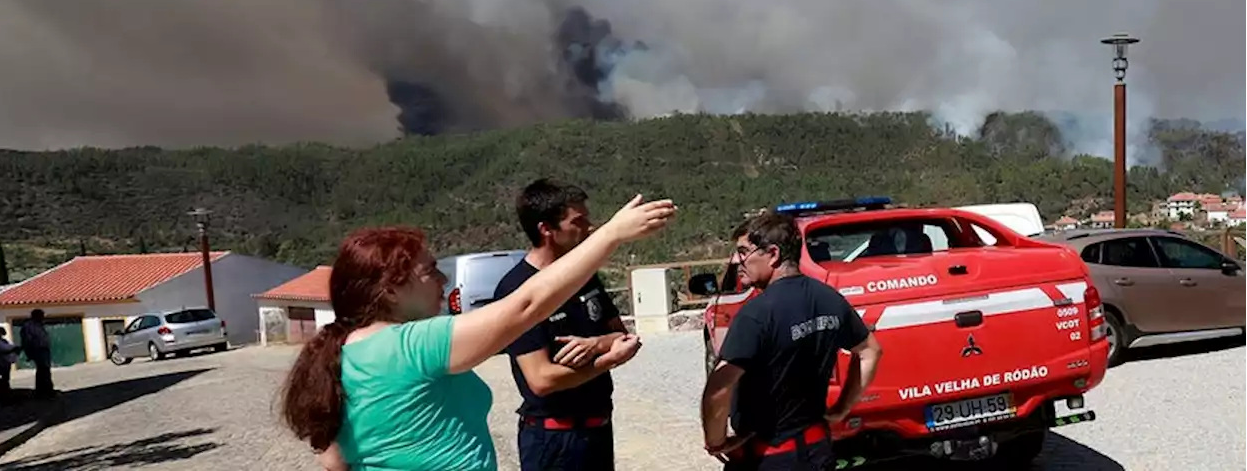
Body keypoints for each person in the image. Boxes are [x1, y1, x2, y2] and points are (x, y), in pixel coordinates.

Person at [280, 193, 676, 471]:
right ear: (391, 290)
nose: (442, 279)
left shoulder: (343, 354)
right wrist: (610, 235)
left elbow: (334, 460)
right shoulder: (412, 346)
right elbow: (525, 305)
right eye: (429, 270)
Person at [700, 212, 882, 470]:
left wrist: (715, 440)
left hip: (768, 458)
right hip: (818, 452)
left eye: (743, 252)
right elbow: (870, 352)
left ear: (773, 254)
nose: (738, 261)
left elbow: (719, 388)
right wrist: (842, 408)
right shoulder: (828, 298)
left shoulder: (756, 314)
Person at [493, 179, 638, 471]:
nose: (589, 227)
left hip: (598, 430)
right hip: (554, 440)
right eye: (578, 220)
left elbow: (622, 336)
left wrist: (597, 344)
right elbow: (542, 379)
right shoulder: (517, 289)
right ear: (547, 229)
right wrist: (606, 360)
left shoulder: (583, 276)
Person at [20, 309, 54, 398]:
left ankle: (46, 390)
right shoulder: (29, 326)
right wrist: (30, 352)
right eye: (41, 315)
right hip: (38, 350)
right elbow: (27, 340)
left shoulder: (39, 325)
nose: (43, 317)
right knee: (43, 370)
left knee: (45, 370)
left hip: (43, 350)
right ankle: (44, 391)